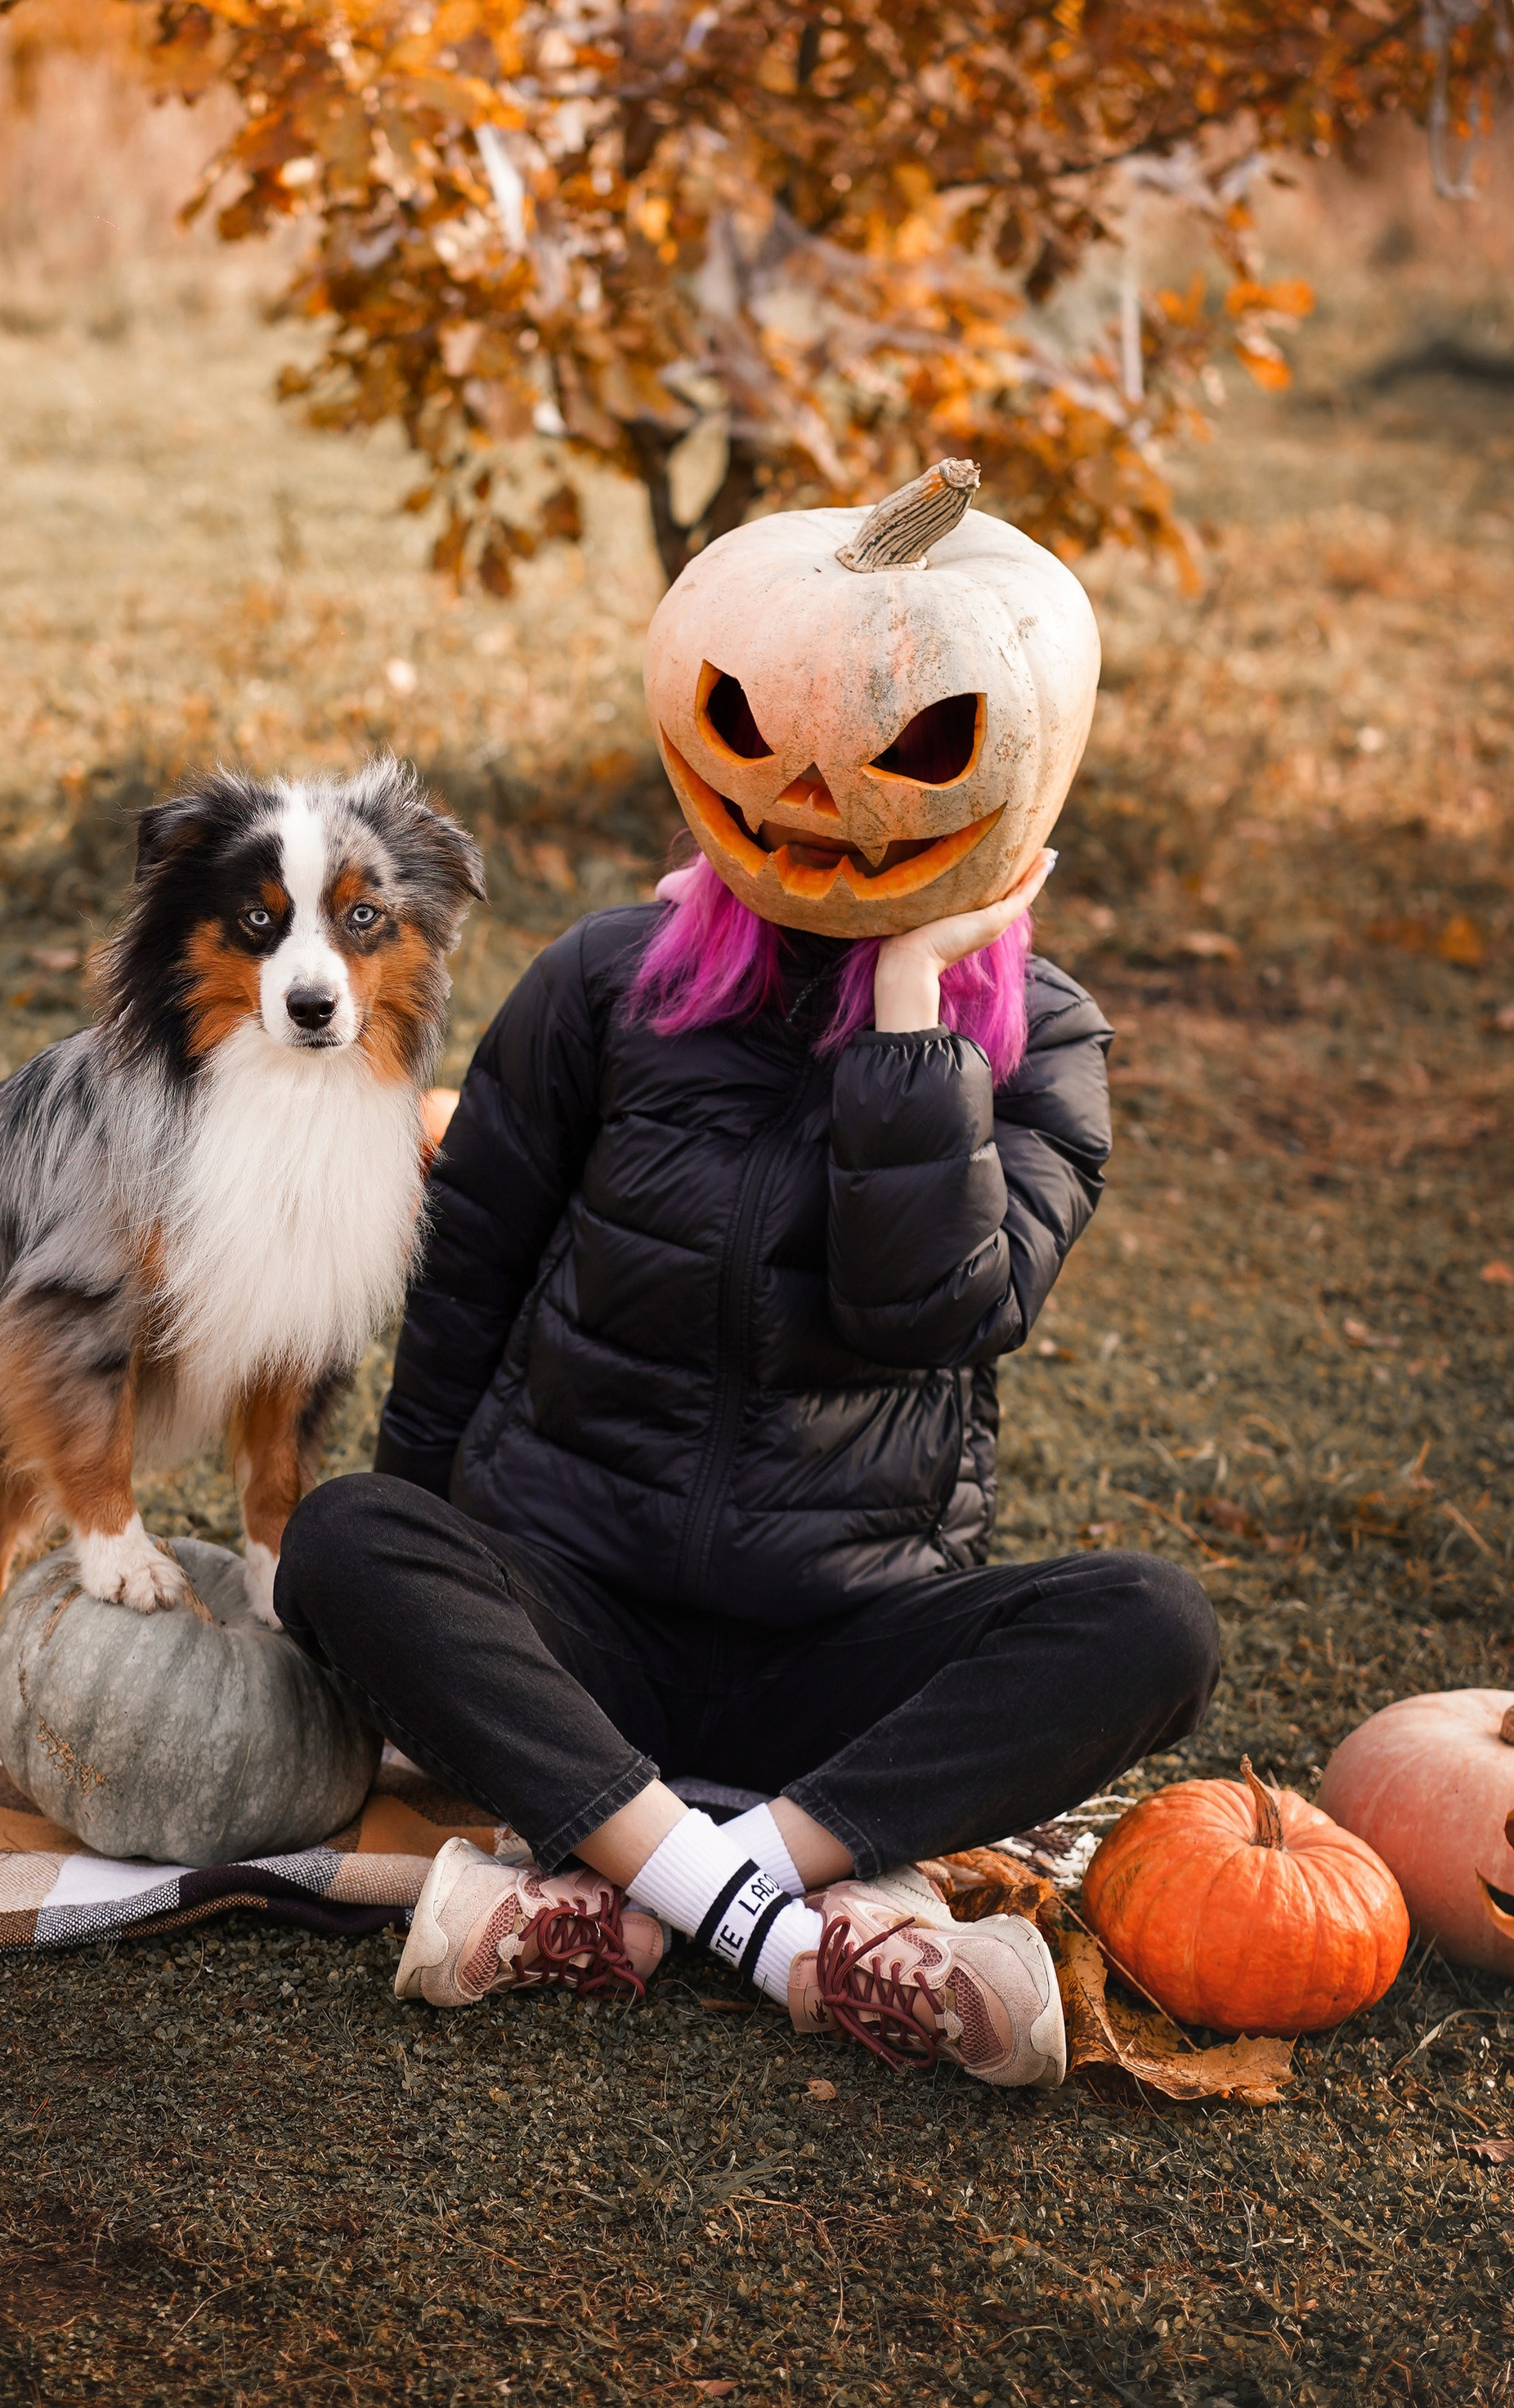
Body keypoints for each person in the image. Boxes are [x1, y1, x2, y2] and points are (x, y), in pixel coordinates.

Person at [275, 847, 1221, 2084]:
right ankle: (784, 1930)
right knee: (348, 1534)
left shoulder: (1039, 1036)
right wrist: (417, 1608)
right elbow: (466, 1279)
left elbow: (933, 1316)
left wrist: (910, 1023)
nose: (850, 805)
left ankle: (664, 1888)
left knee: (1157, 1622)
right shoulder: (605, 977)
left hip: (841, 1663)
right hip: (579, 1630)